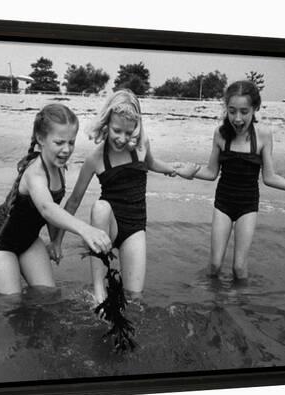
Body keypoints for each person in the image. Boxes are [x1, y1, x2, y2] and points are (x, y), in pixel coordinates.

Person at [53, 89, 199, 303]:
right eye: (116, 130)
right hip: (107, 226)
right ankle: (99, 293)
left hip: (134, 228)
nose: (122, 138)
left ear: (136, 128)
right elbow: (74, 201)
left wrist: (177, 170)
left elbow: (152, 164)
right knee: (100, 207)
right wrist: (57, 241)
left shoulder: (141, 145)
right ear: (107, 122)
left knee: (134, 297)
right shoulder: (95, 158)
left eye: (128, 133)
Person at [192, 80, 285, 282]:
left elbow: (269, 177)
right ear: (226, 109)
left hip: (247, 206)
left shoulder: (263, 135)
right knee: (215, 266)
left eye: (244, 111)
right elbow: (210, 172)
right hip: (223, 204)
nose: (237, 118)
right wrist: (186, 171)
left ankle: (240, 308)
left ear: (255, 109)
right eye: (232, 111)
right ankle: (214, 306)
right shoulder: (220, 134)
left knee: (239, 269)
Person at [0, 104, 112, 295]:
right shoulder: (35, 174)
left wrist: (55, 241)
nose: (67, 149)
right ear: (41, 139)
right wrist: (86, 230)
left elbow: (54, 212)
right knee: (12, 302)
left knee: (49, 296)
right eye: (59, 143)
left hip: (29, 240)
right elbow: (47, 208)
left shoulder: (59, 167)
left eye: (71, 142)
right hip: (1, 242)